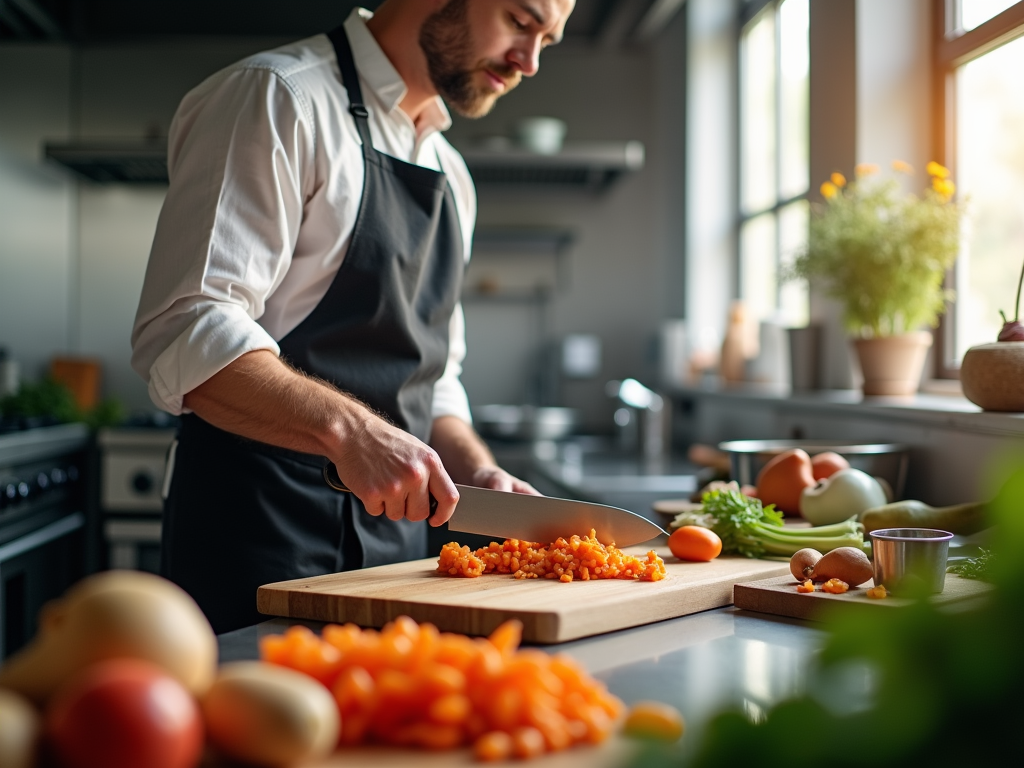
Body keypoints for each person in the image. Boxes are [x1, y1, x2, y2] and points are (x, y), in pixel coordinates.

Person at [130, 0, 575, 633]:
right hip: (259, 543)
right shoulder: (279, 98)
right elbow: (188, 330)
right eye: (521, 21)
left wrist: (472, 467)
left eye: (548, 42)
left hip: (399, 558)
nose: (529, 62)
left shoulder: (453, 176)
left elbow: (435, 377)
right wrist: (353, 434)